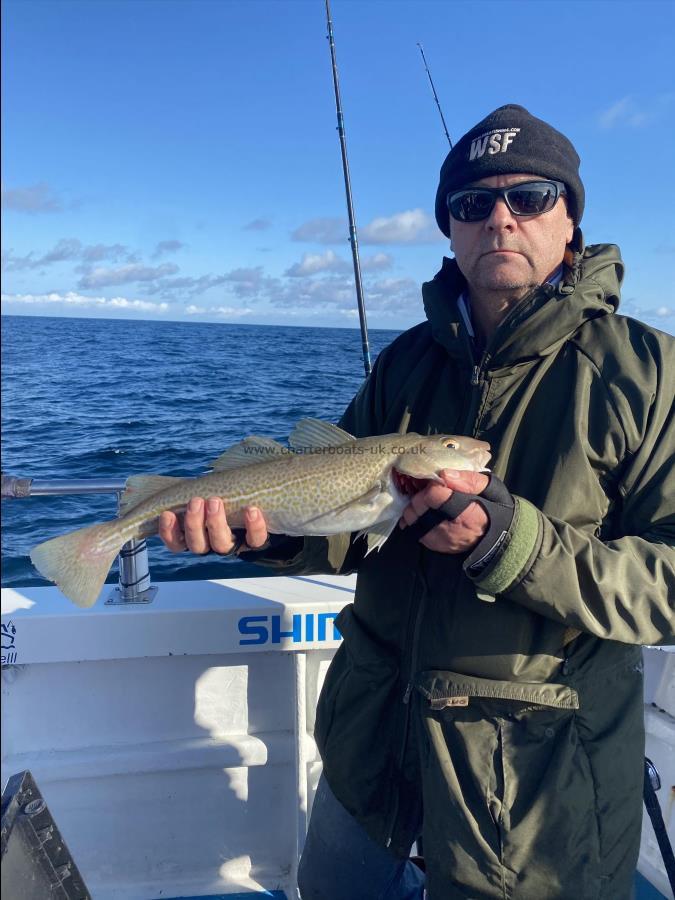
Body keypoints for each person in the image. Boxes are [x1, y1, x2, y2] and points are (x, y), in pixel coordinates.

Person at [159, 105, 675, 899]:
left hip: (534, 788)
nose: (498, 219)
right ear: (449, 230)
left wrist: (514, 544)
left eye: (530, 197)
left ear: (570, 218)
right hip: (369, 752)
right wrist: (264, 539)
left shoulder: (647, 373)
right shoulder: (405, 361)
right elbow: (346, 520)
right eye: (471, 204)